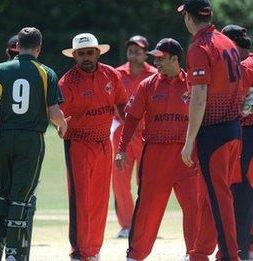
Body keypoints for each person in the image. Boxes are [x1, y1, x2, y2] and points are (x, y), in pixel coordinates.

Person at [0, 27, 67, 261]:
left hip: (3, 137)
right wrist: (63, 125)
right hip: (31, 140)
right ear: (39, 48)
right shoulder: (46, 73)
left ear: (17, 45)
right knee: (21, 194)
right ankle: (14, 251)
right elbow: (54, 113)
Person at [115, 38, 199, 260]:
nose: (156, 62)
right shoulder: (148, 85)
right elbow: (131, 119)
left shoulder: (193, 84)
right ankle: (135, 255)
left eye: (161, 58)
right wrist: (121, 149)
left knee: (194, 207)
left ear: (175, 59)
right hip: (155, 155)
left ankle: (195, 254)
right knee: (148, 209)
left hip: (187, 156)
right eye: (155, 58)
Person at [178, 0, 243, 260]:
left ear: (189, 18)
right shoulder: (226, 41)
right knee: (210, 193)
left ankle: (229, 255)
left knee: (218, 197)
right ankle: (201, 252)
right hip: (233, 128)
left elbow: (200, 96)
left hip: (213, 132)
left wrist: (189, 140)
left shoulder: (198, 47)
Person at [59, 33, 128, 260]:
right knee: (81, 199)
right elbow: (58, 115)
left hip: (103, 143)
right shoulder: (67, 82)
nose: (86, 57)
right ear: (74, 56)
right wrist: (63, 126)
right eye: (81, 54)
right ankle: (79, 251)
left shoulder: (111, 75)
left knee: (100, 199)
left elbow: (121, 103)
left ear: (98, 53)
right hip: (78, 143)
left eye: (90, 52)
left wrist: (129, 126)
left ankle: (94, 250)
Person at [112, 35, 157, 238]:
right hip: (122, 132)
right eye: (131, 49)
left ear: (145, 52)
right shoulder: (117, 74)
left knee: (147, 181)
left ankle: (145, 223)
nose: (134, 53)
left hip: (147, 133)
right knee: (120, 181)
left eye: (138, 50)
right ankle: (127, 224)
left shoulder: (154, 74)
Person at [221, 24, 253, 261]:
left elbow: (239, 108)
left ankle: (240, 248)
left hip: (246, 133)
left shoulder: (243, 67)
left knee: (239, 190)